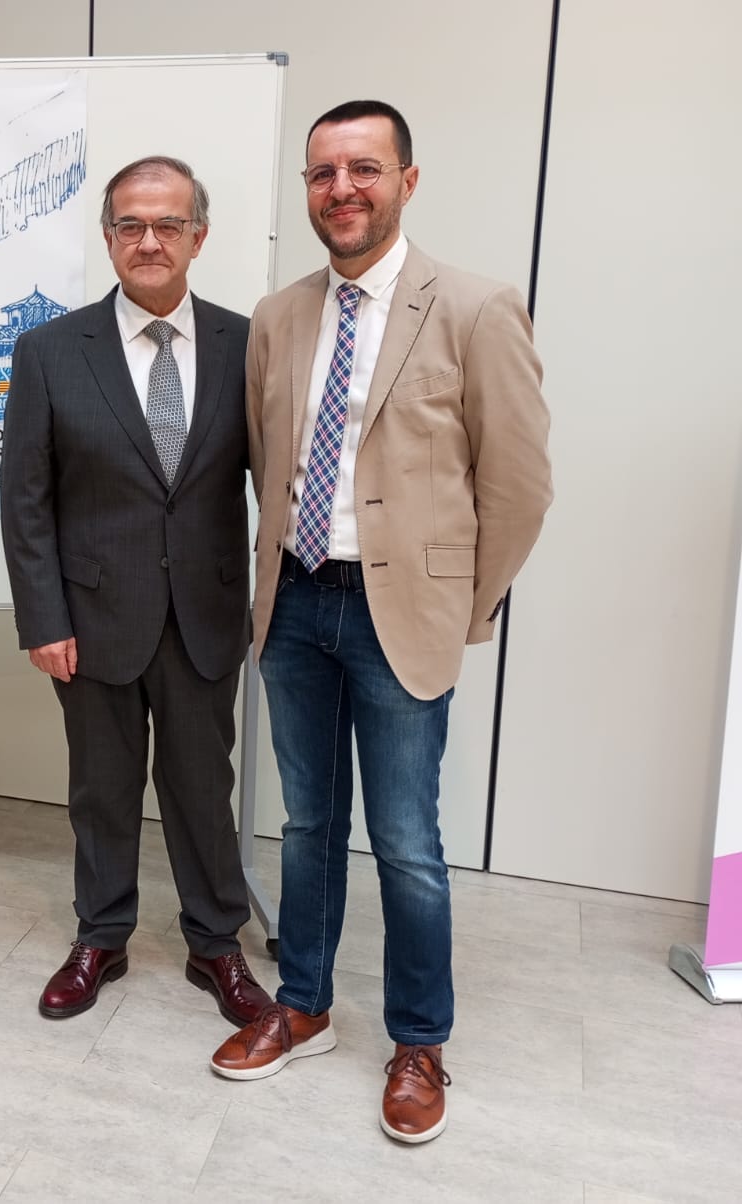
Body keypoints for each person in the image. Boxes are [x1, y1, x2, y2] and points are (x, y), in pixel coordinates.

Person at [210, 101, 552, 1144]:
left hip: (403, 609)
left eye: (363, 168)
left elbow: (520, 484)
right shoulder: (278, 315)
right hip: (299, 599)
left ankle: (417, 1041)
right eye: (322, 173)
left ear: (407, 180)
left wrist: (462, 604)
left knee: (405, 839)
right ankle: (304, 1004)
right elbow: (269, 469)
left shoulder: (477, 307)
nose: (341, 189)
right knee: (307, 825)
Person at [1, 155, 271, 1026]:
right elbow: (27, 500)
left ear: (199, 235)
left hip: (205, 614)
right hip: (90, 618)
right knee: (101, 790)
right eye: (129, 225)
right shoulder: (49, 350)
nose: (148, 241)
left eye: (167, 225)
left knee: (203, 787)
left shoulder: (247, 344)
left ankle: (216, 946)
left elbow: (279, 482)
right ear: (109, 237)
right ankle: (102, 934)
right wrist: (42, 617)